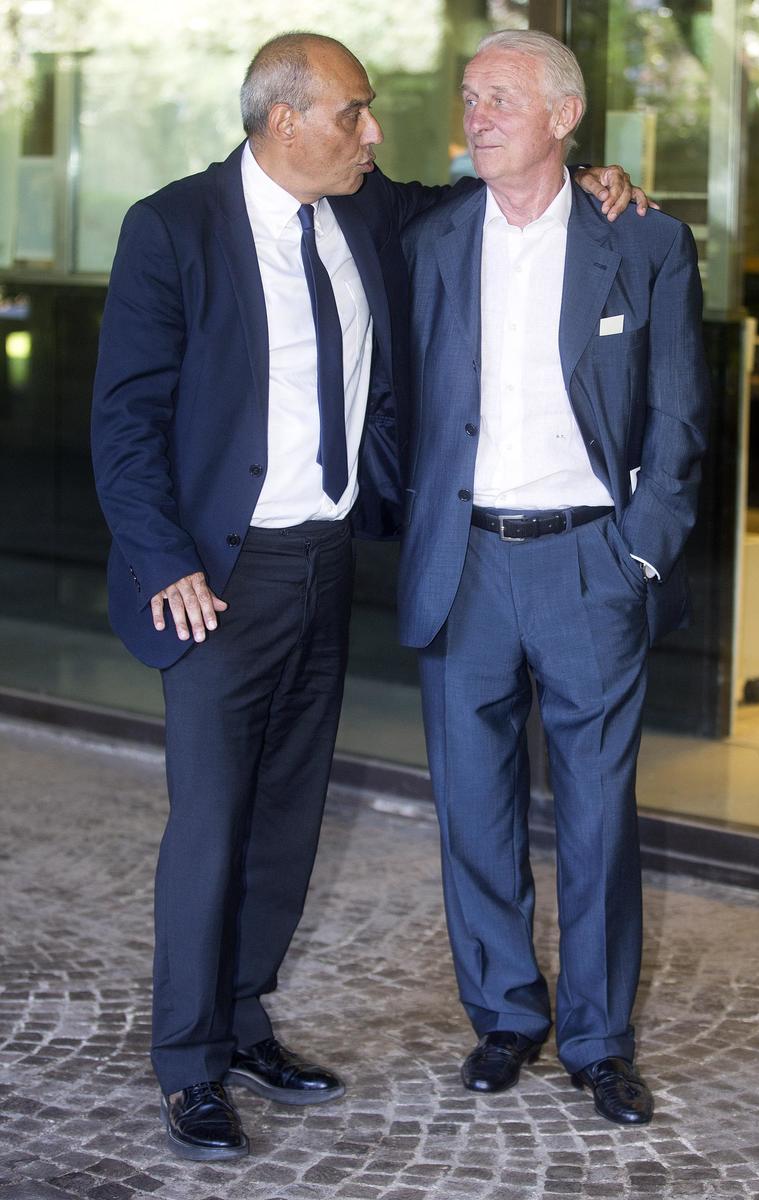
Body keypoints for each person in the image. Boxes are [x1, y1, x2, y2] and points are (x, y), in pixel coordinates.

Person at [91, 30, 645, 1161]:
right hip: (216, 578)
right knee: (211, 822)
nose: (374, 132)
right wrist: (163, 559)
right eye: (355, 113)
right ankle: (188, 1062)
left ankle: (244, 1021)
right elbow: (126, 415)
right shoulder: (172, 227)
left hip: (326, 559)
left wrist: (588, 176)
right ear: (284, 119)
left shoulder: (364, 209)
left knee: (288, 818)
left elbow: (486, 188)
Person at [397, 29, 710, 1126]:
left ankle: (598, 1039)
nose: (475, 115)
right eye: (469, 96)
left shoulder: (645, 241)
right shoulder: (432, 238)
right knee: (471, 809)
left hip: (590, 563)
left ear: (564, 117)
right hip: (464, 562)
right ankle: (504, 1016)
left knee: (597, 815)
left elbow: (678, 416)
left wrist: (638, 553)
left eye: (499, 98)